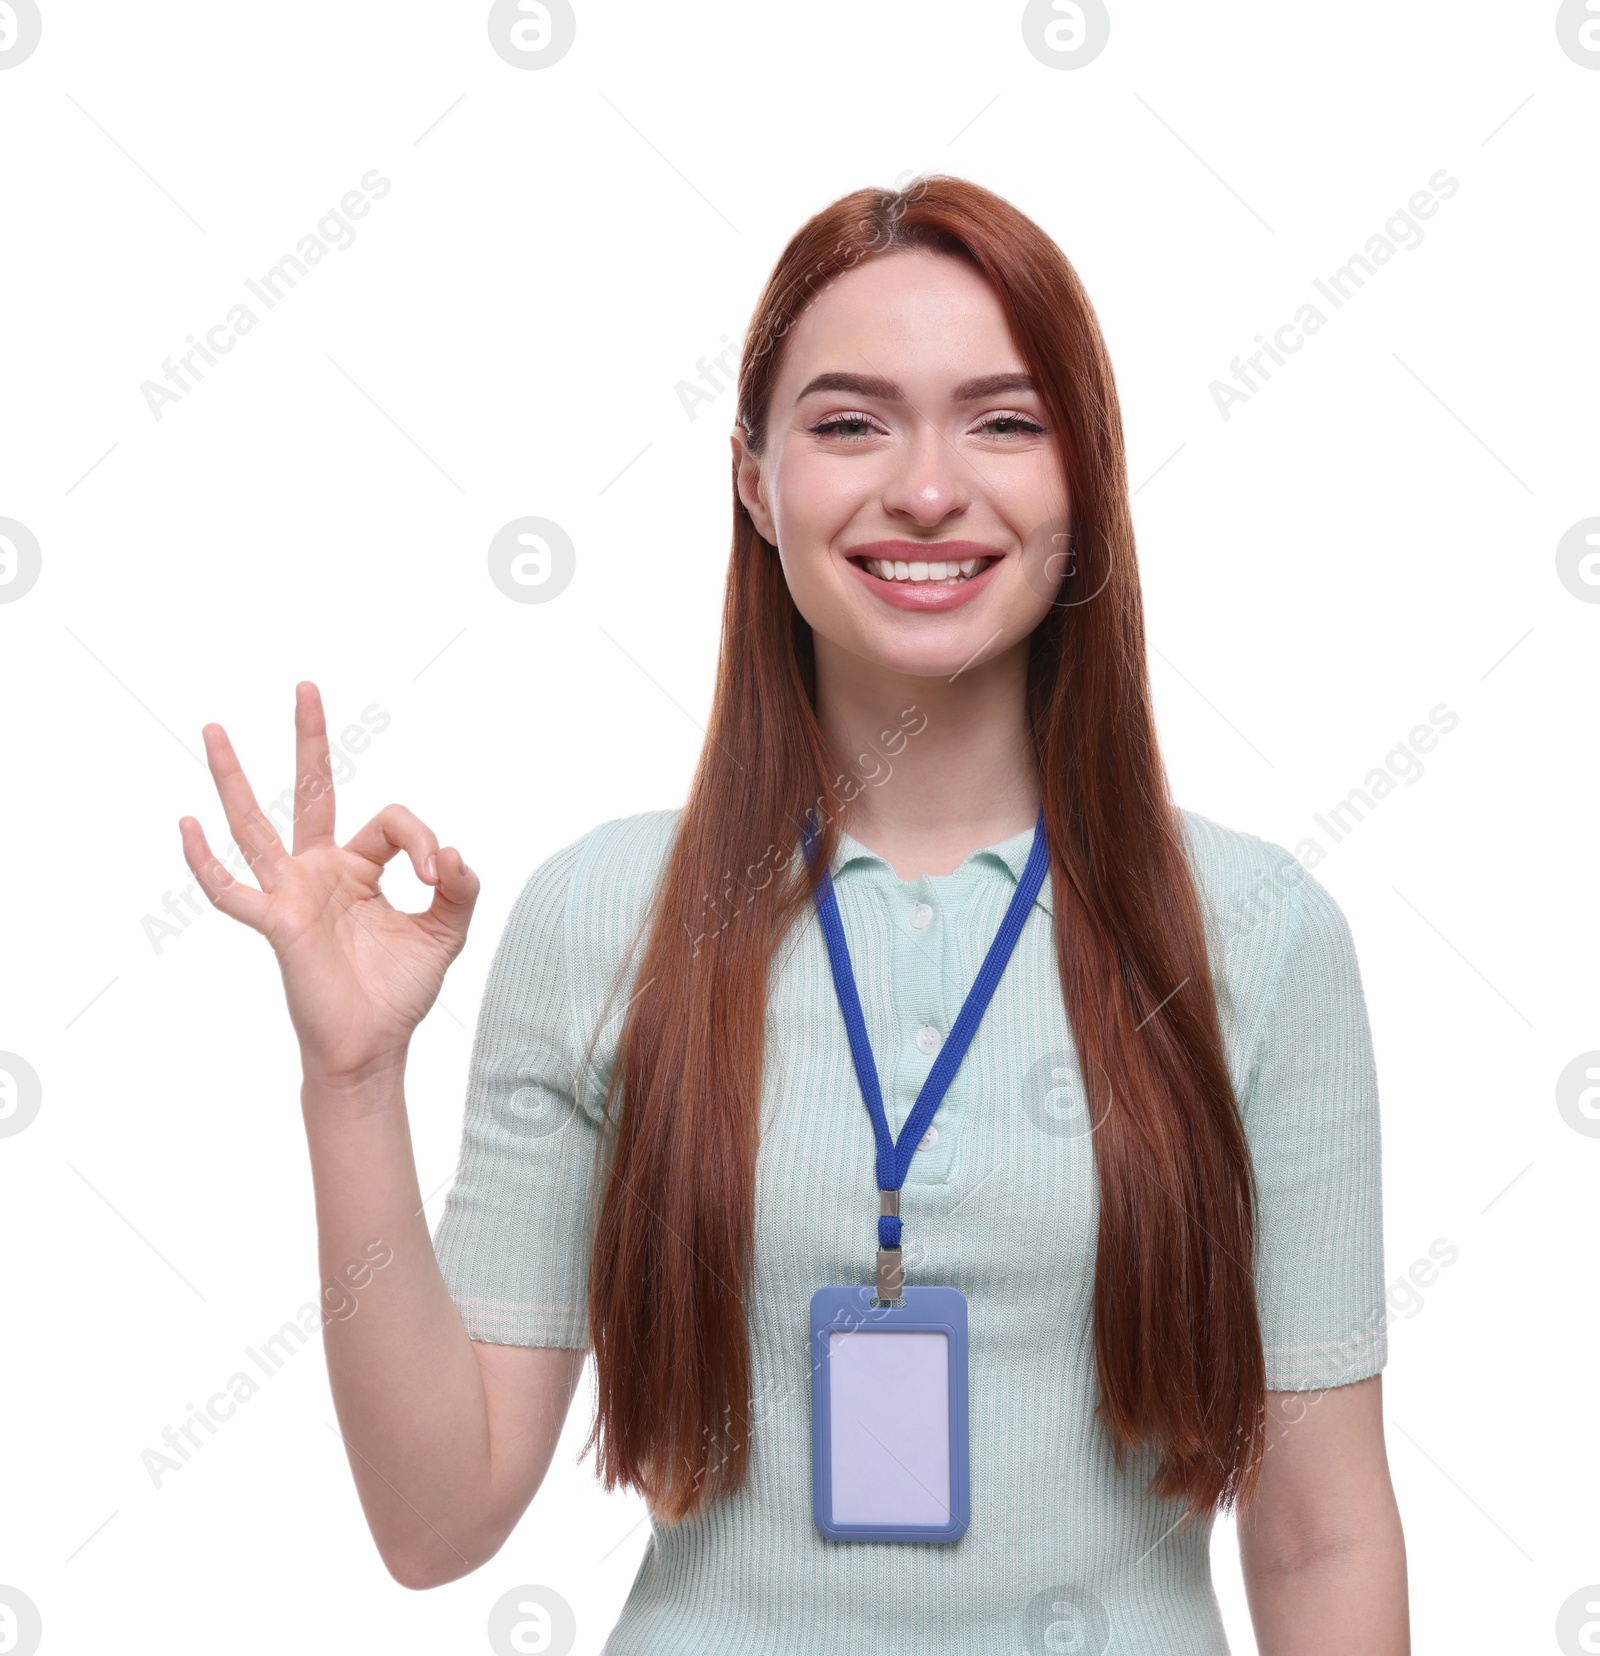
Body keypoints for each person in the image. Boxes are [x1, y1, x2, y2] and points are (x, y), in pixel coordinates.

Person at [179, 175, 1408, 1654]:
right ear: (754, 480)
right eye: (848, 423)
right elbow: (439, 1523)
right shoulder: (604, 916)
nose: (929, 488)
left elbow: (1325, 1539)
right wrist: (353, 1080)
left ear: (1087, 478)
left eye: (1005, 421)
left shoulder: (1258, 932)